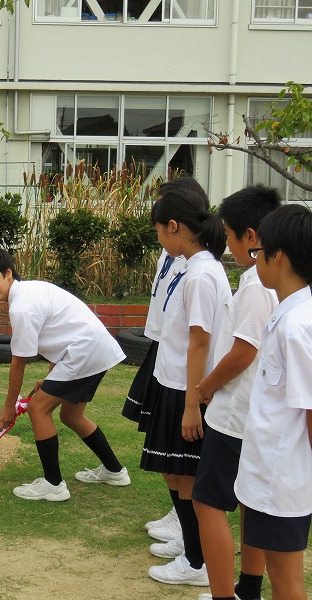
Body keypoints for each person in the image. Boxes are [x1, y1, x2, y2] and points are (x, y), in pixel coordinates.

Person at [0, 247, 130, 502]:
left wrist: (8, 407)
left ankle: (53, 485)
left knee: (38, 408)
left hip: (85, 352)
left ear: (8, 273)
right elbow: (61, 333)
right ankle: (115, 471)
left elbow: (18, 361)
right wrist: (53, 376)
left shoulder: (22, 307)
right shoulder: (30, 291)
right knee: (71, 415)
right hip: (91, 350)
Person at [191, 186, 280, 600]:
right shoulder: (277, 279)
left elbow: (244, 351)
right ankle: (248, 589)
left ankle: (226, 593)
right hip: (254, 412)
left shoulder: (259, 282)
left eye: (228, 236)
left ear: (250, 235)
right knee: (249, 503)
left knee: (208, 502)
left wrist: (204, 388)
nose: (225, 244)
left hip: (235, 413)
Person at [141, 185, 230, 587]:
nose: (159, 238)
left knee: (188, 477)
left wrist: (193, 402)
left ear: (174, 227)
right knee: (175, 472)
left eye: (160, 230)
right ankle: (192, 551)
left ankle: (197, 563)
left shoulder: (202, 274)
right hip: (173, 381)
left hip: (185, 389)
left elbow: (201, 341)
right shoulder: (192, 266)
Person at [122, 176, 208, 548]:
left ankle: (190, 535)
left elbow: (200, 339)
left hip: (179, 363)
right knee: (164, 450)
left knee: (179, 454)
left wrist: (192, 399)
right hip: (164, 350)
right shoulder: (176, 253)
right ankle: (186, 529)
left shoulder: (197, 268)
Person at [234, 204, 312, 600]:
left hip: (282, 481)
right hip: (267, 472)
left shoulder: (299, 326)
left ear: (276, 255)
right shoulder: (286, 313)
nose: (253, 261)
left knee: (286, 582)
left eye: (256, 253)